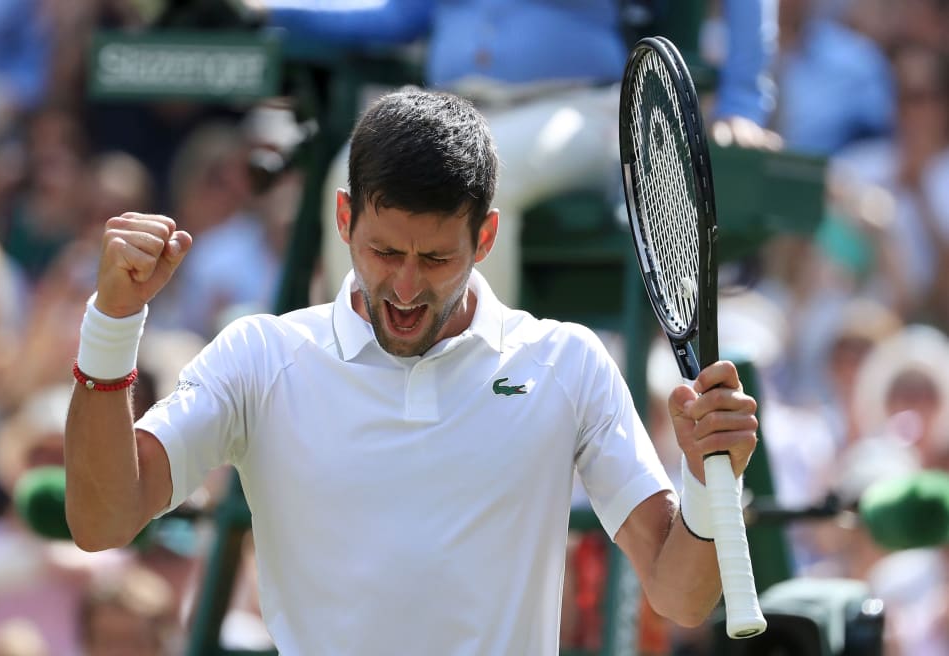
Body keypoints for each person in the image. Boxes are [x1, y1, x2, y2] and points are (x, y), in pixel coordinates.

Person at [64, 90, 760, 655]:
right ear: (343, 218)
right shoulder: (257, 357)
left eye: (435, 260)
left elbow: (680, 595)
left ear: (484, 237)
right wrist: (112, 325)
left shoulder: (567, 363)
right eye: (383, 250)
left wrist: (705, 480)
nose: (403, 287)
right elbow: (102, 521)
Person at [239, 0, 778, 305]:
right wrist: (271, 10)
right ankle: (365, 387)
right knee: (352, 174)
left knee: (484, 176)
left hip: (583, 108)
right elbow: (395, 16)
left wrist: (743, 105)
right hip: (456, 112)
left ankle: (481, 398)